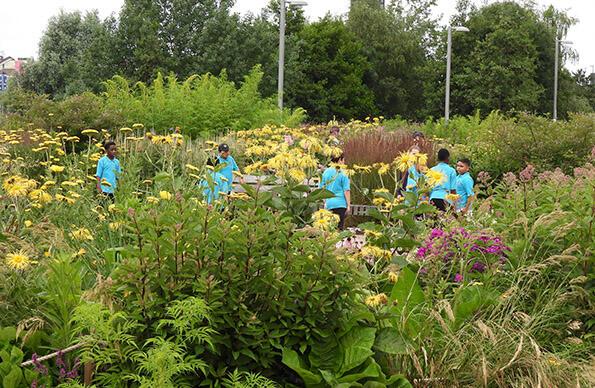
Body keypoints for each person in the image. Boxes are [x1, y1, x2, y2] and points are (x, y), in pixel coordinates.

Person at [319, 154, 351, 230]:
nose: (344, 163)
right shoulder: (343, 172)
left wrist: (325, 202)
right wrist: (349, 205)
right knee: (339, 228)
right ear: (340, 160)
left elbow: (321, 189)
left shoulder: (326, 172)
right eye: (343, 160)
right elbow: (346, 190)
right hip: (340, 204)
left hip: (329, 203)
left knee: (329, 228)